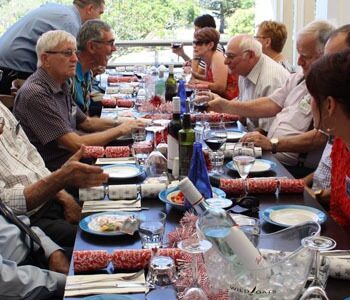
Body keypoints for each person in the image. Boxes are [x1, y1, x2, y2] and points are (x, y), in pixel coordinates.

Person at [200, 20, 335, 178]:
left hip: (292, 169)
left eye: (305, 56)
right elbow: (272, 103)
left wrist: (272, 143)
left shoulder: (331, 89)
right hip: (272, 156)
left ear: (327, 56)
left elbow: (321, 137)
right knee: (213, 168)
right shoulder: (300, 77)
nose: (298, 61)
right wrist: (225, 106)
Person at [13, 30, 144, 172]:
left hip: (80, 160)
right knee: (142, 170)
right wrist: (120, 130)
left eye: (75, 52)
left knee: (140, 152)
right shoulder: (36, 94)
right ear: (45, 59)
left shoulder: (60, 82)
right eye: (67, 53)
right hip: (58, 174)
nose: (75, 59)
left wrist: (125, 123)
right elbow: (76, 144)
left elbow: (86, 122)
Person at [0, 102, 108, 247]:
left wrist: (65, 197)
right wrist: (60, 178)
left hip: (53, 196)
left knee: (115, 213)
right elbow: (7, 205)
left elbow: (34, 160)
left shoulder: (2, 108)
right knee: (104, 239)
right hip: (26, 221)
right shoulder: (35, 94)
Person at [0, 0, 105, 94]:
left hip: (9, 65)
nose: (99, 19)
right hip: (11, 73)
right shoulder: (70, 23)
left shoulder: (59, 9)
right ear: (90, 9)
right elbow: (66, 68)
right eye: (100, 13)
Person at [306, 49, 350, 230]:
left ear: (330, 105)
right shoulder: (340, 142)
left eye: (312, 97)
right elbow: (338, 211)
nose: (310, 104)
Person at [224, 34, 289, 132]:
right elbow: (243, 109)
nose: (225, 61)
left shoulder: (271, 79)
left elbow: (267, 132)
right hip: (251, 134)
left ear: (250, 55)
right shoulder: (244, 70)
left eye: (231, 56)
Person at [70, 19, 116, 114]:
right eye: (110, 43)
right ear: (91, 47)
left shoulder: (88, 73)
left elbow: (84, 118)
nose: (114, 49)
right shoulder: (68, 77)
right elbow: (77, 123)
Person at [189, 27, 238, 100]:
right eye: (194, 42)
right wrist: (193, 74)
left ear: (210, 45)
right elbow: (209, 79)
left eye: (199, 43)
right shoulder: (207, 57)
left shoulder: (217, 57)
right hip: (220, 100)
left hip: (230, 103)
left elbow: (220, 87)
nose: (194, 46)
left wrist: (197, 82)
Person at [172, 14, 224, 80]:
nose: (194, 33)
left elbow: (197, 74)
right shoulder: (207, 47)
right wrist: (182, 54)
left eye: (197, 30)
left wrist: (191, 70)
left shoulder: (215, 49)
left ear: (206, 31)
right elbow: (197, 67)